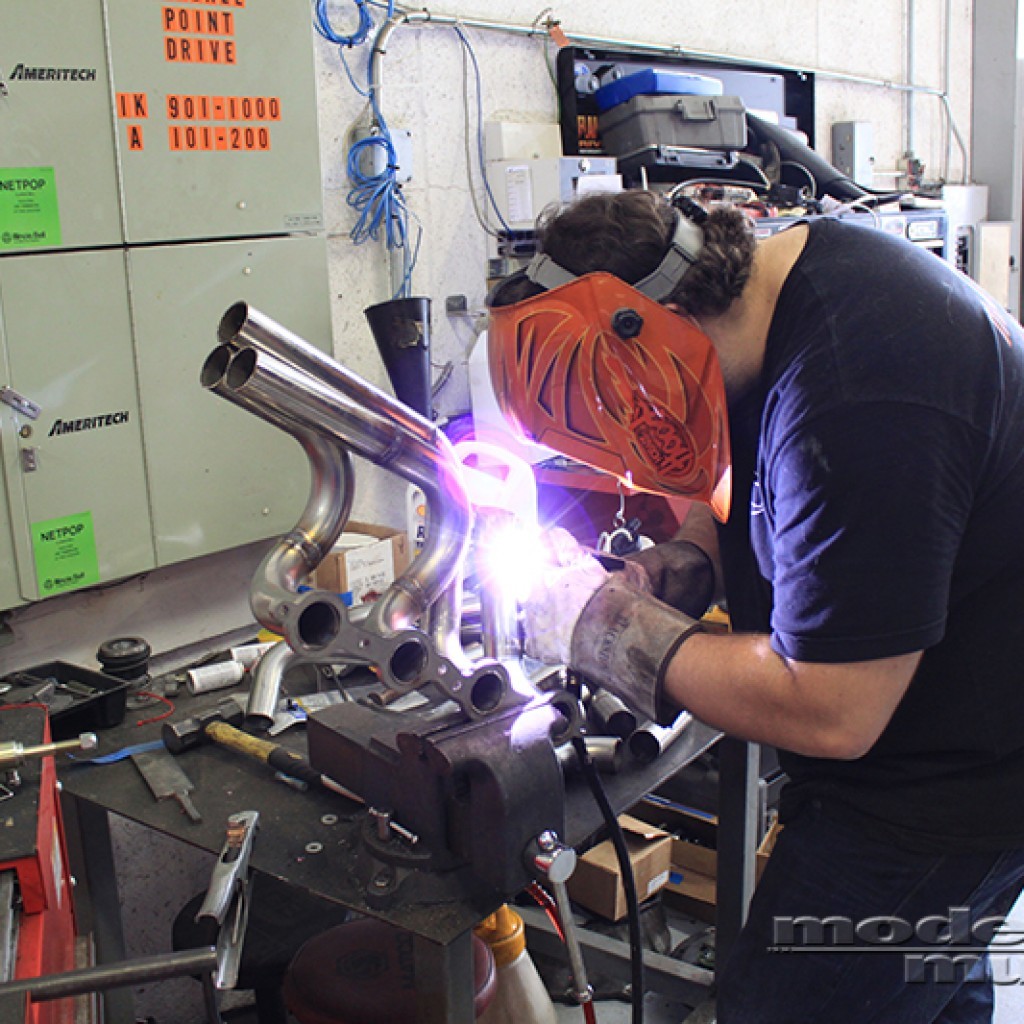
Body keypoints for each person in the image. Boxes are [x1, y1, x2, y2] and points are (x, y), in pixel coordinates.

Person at [485, 188, 1024, 1023]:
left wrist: (610, 627)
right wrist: (692, 559)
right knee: (932, 989)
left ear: (653, 331)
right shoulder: (770, 296)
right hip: (934, 725)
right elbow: (730, 461)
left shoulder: (857, 391)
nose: (627, 464)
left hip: (947, 787)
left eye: (620, 419)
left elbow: (832, 710)